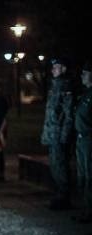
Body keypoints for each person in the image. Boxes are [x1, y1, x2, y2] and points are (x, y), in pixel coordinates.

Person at [42, 58, 75, 210]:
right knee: (55, 166)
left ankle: (64, 196)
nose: (53, 70)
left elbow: (68, 115)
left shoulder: (66, 87)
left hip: (59, 136)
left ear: (63, 68)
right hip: (52, 134)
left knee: (61, 166)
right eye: (53, 67)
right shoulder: (54, 87)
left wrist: (64, 137)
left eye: (56, 67)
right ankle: (59, 194)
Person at [74, 61, 92, 223]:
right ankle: (85, 209)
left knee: (89, 176)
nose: (82, 76)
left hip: (88, 140)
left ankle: (88, 211)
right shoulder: (85, 94)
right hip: (81, 139)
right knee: (82, 175)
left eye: (85, 73)